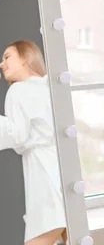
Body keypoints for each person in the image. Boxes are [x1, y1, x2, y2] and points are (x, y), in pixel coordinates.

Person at [0, 40, 67, 245]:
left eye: (7, 57)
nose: (1, 64)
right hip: (63, 170)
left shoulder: (18, 91)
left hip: (43, 175)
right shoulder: (52, 88)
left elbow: (17, 134)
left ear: (26, 58)